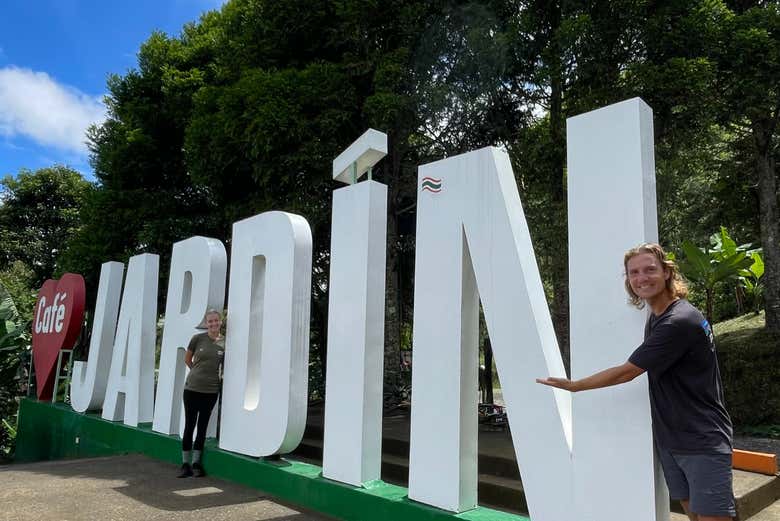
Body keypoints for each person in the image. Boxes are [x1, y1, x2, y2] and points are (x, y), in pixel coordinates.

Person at [537, 243, 734, 521]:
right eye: (634, 272)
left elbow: (627, 372)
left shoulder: (678, 321)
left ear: (667, 272)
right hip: (673, 439)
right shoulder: (659, 316)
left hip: (702, 439)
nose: (642, 278)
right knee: (694, 516)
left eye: (650, 270)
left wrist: (575, 386)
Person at [178, 309, 225, 478]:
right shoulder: (197, 339)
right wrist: (197, 373)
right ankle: (185, 464)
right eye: (210, 321)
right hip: (192, 389)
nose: (213, 323)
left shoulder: (225, 343)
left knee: (202, 427)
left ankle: (196, 463)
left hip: (211, 391)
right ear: (206, 323)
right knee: (190, 425)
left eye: (216, 320)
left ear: (220, 321)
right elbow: (187, 359)